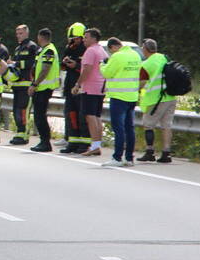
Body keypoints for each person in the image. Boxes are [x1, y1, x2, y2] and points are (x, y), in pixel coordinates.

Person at [100, 37, 141, 167]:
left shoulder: (117, 56)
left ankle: (117, 157)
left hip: (119, 96)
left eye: (110, 51)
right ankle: (129, 158)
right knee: (130, 128)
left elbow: (107, 73)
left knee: (118, 128)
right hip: (132, 96)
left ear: (112, 47)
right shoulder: (135, 55)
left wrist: (102, 64)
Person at [137, 38, 176, 164]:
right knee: (166, 126)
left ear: (145, 49)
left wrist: (134, 91)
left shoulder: (146, 64)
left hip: (155, 99)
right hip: (170, 97)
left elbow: (141, 83)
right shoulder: (165, 57)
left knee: (148, 125)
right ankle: (166, 153)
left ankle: (150, 152)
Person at [74, 28, 107, 156]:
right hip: (101, 87)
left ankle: (94, 145)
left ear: (93, 38)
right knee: (97, 116)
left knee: (90, 116)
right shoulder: (102, 50)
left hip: (91, 87)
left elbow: (86, 70)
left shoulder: (90, 51)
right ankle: (97, 144)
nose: (83, 40)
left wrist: (78, 84)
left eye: (86, 37)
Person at [60, 22, 91, 153]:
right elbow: (62, 66)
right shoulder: (70, 48)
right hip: (70, 86)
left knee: (81, 117)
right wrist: (65, 63)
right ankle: (72, 143)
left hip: (82, 86)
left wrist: (76, 66)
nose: (74, 41)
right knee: (70, 114)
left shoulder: (86, 50)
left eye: (76, 38)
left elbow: (88, 69)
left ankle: (84, 144)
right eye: (72, 38)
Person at [28, 28, 59, 152]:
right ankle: (43, 141)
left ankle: (45, 142)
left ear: (40, 37)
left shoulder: (49, 51)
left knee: (40, 116)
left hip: (44, 88)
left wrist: (34, 84)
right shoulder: (44, 50)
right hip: (41, 87)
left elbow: (45, 69)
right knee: (39, 116)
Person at [8, 24, 39, 145]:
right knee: (16, 110)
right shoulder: (17, 48)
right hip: (17, 84)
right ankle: (19, 133)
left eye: (20, 33)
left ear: (27, 33)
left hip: (26, 84)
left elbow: (32, 64)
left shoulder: (32, 46)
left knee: (23, 110)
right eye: (17, 34)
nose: (18, 36)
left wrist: (15, 63)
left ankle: (24, 134)